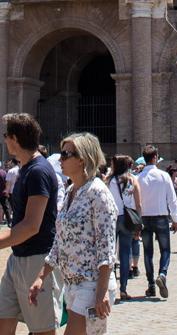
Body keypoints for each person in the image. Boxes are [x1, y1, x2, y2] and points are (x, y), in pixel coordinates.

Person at [0, 113, 62, 335]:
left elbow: (32, 225)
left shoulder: (38, 171)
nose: (4, 140)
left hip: (38, 257)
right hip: (19, 256)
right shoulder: (26, 168)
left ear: (15, 138)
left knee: (42, 330)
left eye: (6, 135)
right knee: (1, 323)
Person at [28, 133, 116, 335]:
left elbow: (107, 247)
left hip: (93, 284)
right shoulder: (70, 193)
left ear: (82, 159)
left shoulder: (99, 193)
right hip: (72, 285)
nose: (60, 159)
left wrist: (101, 293)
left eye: (66, 154)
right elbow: (60, 242)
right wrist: (41, 276)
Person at [133, 146, 177, 299]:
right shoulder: (164, 176)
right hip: (161, 216)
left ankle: (151, 285)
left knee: (148, 252)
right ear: (155, 159)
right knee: (165, 249)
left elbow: (134, 202)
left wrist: (136, 223)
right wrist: (175, 219)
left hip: (144, 218)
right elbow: (172, 199)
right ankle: (162, 274)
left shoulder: (138, 178)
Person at [108, 154, 142, 302]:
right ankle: (123, 289)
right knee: (125, 253)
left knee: (110, 253)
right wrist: (138, 223)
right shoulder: (132, 181)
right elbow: (138, 204)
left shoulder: (108, 181)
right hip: (127, 219)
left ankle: (110, 287)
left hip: (111, 218)